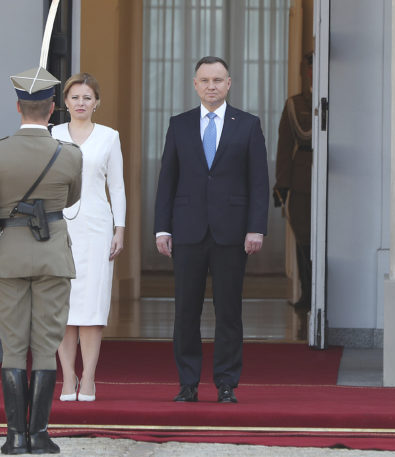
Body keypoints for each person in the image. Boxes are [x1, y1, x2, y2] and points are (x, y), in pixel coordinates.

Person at [0, 66, 82, 454]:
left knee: (14, 347)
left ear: (18, 107)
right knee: (46, 347)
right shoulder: (69, 155)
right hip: (52, 258)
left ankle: (15, 437)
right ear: (52, 110)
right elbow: (71, 200)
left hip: (10, 259)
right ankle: (40, 435)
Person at [153, 56, 269, 403]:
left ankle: (227, 383)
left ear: (229, 83)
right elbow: (167, 181)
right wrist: (162, 228)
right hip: (187, 230)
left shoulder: (247, 125)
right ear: (195, 84)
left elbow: (259, 182)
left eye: (218, 80)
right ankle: (188, 383)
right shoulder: (179, 124)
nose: (211, 86)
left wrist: (256, 229)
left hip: (232, 233)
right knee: (186, 310)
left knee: (229, 310)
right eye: (204, 80)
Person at [52, 73, 126, 402]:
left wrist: (120, 228)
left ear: (97, 102)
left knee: (93, 306)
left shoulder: (109, 137)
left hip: (97, 227)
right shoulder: (50, 135)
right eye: (75, 97)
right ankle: (67, 377)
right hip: (58, 227)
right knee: (62, 306)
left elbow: (117, 187)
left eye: (87, 97)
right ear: (64, 103)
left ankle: (89, 378)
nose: (81, 103)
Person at [273, 51, 313, 339]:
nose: (314, 72)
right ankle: (308, 295)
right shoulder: (296, 105)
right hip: (301, 184)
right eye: (310, 67)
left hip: (336, 184)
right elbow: (285, 146)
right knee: (304, 241)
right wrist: (281, 186)